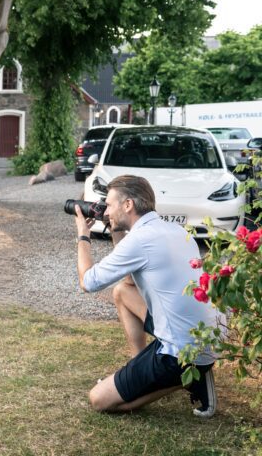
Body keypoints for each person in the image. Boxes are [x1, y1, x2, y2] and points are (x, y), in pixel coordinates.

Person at [73, 175, 221, 417]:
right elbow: (129, 281)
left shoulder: (140, 240)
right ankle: (149, 368)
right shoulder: (173, 230)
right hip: (204, 337)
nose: (105, 211)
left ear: (128, 204)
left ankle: (189, 379)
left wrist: (83, 235)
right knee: (122, 292)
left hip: (180, 352)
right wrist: (115, 230)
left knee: (100, 399)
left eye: (109, 205)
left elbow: (87, 282)